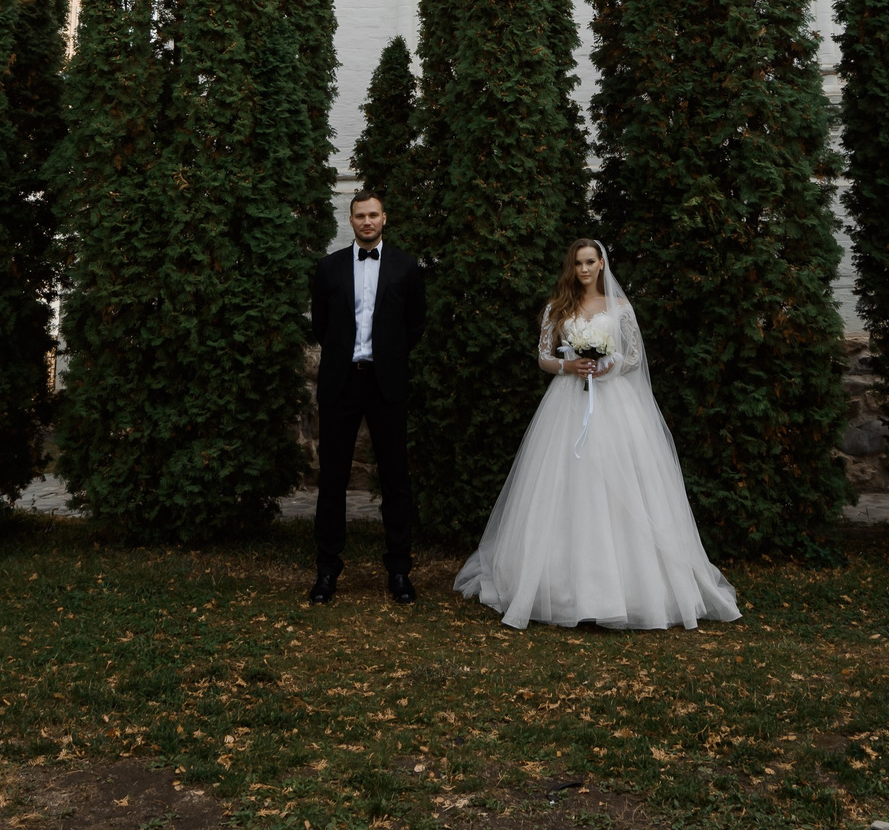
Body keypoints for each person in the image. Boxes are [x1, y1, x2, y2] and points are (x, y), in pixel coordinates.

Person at [454, 238, 739, 630]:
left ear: (602, 264)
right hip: (568, 402)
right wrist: (568, 367)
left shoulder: (620, 308)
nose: (584, 269)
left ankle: (631, 590)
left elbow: (635, 356)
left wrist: (610, 364)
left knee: (622, 483)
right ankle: (560, 585)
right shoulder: (557, 308)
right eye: (577, 264)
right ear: (571, 267)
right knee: (567, 482)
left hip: (614, 402)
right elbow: (543, 357)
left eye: (590, 262)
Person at [309, 190, 427, 605]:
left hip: (386, 382)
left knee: (396, 479)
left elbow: (415, 325)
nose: (367, 222)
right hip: (341, 383)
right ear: (351, 219)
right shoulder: (328, 267)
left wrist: (389, 357)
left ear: (384, 218)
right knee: (333, 480)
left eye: (374, 214)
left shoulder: (406, 266)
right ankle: (327, 571)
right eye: (360, 215)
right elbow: (321, 324)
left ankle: (399, 571)